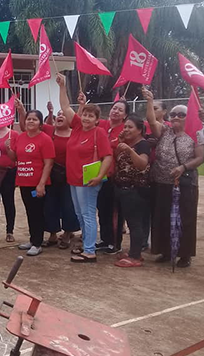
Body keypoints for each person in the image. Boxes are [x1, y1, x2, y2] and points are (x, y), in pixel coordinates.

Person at [143, 88, 204, 268]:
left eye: (181, 114)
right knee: (162, 217)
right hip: (161, 181)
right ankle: (165, 250)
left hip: (185, 183)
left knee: (184, 218)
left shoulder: (195, 134)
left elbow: (200, 157)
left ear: (188, 117)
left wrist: (183, 167)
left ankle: (184, 254)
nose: (176, 117)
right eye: (173, 114)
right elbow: (150, 120)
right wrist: (150, 101)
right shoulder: (165, 131)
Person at [57, 74, 112, 263]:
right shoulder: (78, 127)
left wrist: (99, 177)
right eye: (85, 114)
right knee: (80, 214)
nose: (86, 118)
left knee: (88, 214)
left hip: (88, 180)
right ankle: (85, 245)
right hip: (73, 179)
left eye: (91, 116)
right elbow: (65, 107)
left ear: (97, 119)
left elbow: (108, 157)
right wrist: (62, 86)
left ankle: (90, 250)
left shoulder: (100, 133)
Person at [82, 95, 129, 255]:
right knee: (101, 209)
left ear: (125, 115)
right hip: (98, 175)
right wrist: (82, 105)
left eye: (120, 110)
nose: (116, 111)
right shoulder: (102, 125)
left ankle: (115, 243)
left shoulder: (125, 130)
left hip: (114, 176)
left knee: (113, 211)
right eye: (115, 108)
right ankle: (105, 239)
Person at [7, 110, 55, 257]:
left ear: (40, 123)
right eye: (29, 119)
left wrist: (41, 184)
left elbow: (49, 164)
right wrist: (8, 148)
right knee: (29, 212)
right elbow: (15, 158)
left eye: (34, 119)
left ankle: (38, 243)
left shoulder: (45, 139)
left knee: (37, 213)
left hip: (37, 183)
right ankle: (33, 239)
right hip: (23, 181)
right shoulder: (21, 137)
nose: (31, 122)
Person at [113, 115, 151, 268]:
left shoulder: (142, 145)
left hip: (136, 190)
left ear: (140, 130)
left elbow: (142, 164)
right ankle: (134, 252)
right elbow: (117, 159)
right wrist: (121, 142)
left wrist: (129, 150)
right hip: (123, 189)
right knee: (130, 222)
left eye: (130, 127)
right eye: (125, 127)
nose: (126, 129)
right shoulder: (127, 143)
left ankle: (135, 256)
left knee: (135, 224)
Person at [42, 111, 80, 249]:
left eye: (64, 114)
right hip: (51, 174)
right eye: (59, 114)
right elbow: (25, 125)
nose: (60, 116)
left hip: (69, 175)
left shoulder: (76, 133)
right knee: (50, 205)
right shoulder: (49, 131)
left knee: (69, 206)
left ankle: (67, 234)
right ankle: (52, 235)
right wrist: (21, 110)